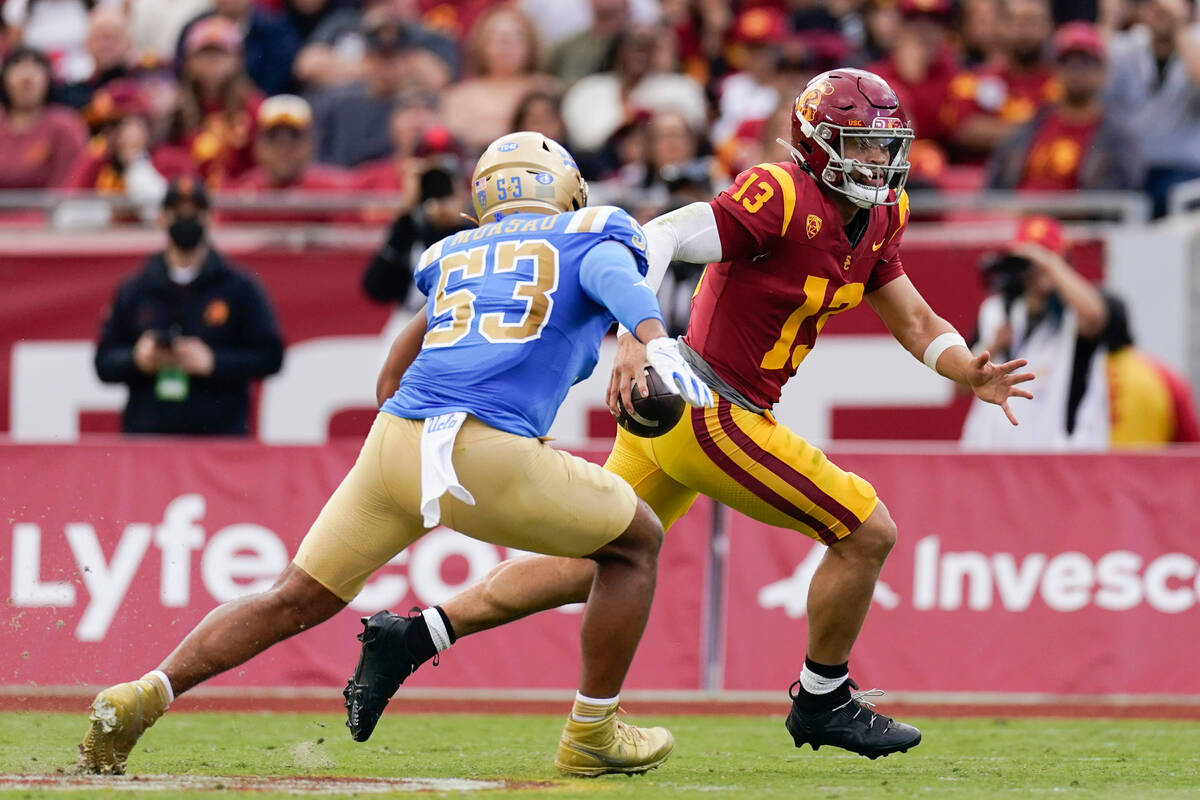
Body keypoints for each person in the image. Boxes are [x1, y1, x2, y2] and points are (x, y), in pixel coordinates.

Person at [347, 69, 1034, 759]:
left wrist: (963, 366)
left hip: (692, 416)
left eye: (886, 148)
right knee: (865, 530)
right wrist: (631, 339)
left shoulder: (882, 214)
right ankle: (823, 696)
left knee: (595, 558)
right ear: (818, 143)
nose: (879, 163)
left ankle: (415, 636)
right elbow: (660, 236)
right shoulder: (782, 194)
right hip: (707, 405)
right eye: (862, 146)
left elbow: (913, 316)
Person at [79, 131, 714, 777]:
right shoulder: (591, 233)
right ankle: (593, 732)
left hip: (397, 440)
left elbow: (390, 378)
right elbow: (618, 279)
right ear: (565, 190)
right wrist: (645, 340)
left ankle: (145, 694)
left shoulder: (457, 253)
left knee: (291, 597)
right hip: (486, 448)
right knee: (635, 542)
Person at [93, 176, 284, 435]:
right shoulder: (136, 289)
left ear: (209, 218)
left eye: (195, 213)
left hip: (218, 439)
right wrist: (138, 358)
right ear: (162, 218)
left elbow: (270, 356)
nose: (186, 220)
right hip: (148, 437)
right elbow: (103, 361)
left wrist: (213, 361)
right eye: (177, 213)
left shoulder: (239, 288)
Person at [961, 215, 1109, 449]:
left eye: (1046, 257)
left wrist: (1050, 264)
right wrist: (994, 347)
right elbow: (958, 385)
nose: (1036, 268)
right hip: (992, 450)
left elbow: (1095, 319)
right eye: (1029, 261)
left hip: (1058, 454)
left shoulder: (1074, 313)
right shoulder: (995, 310)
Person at [987, 22, 1142, 192]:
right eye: (1067, 62)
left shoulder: (1118, 138)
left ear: (1103, 70)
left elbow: (1112, 201)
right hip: (1016, 217)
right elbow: (995, 189)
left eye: (1085, 62)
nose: (1075, 71)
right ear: (1055, 69)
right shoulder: (1028, 128)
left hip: (1077, 218)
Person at [1105, 0, 1200, 216]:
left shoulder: (1196, 42)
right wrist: (1110, 19)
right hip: (1132, 171)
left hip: (1187, 171)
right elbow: (1091, 79)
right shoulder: (1127, 46)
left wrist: (1178, 26)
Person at [439, 5, 557, 152]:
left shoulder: (547, 90)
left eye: (516, 36)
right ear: (481, 44)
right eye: (496, 36)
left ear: (530, 43)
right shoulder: (459, 95)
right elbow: (453, 138)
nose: (506, 44)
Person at [361, 158, 471, 309]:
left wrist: (456, 226)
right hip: (410, 314)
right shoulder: (410, 227)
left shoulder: (472, 232)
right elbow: (376, 288)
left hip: (456, 315)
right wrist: (406, 213)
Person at [1105, 298, 1200, 447]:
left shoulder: (1071, 377)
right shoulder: (1165, 377)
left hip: (1084, 469)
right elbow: (1192, 450)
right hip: (1150, 470)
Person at [0, 46, 88, 189]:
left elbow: (71, 183)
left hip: (51, 210)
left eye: (35, 71)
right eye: (18, 70)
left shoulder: (66, 126)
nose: (26, 79)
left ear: (48, 80)